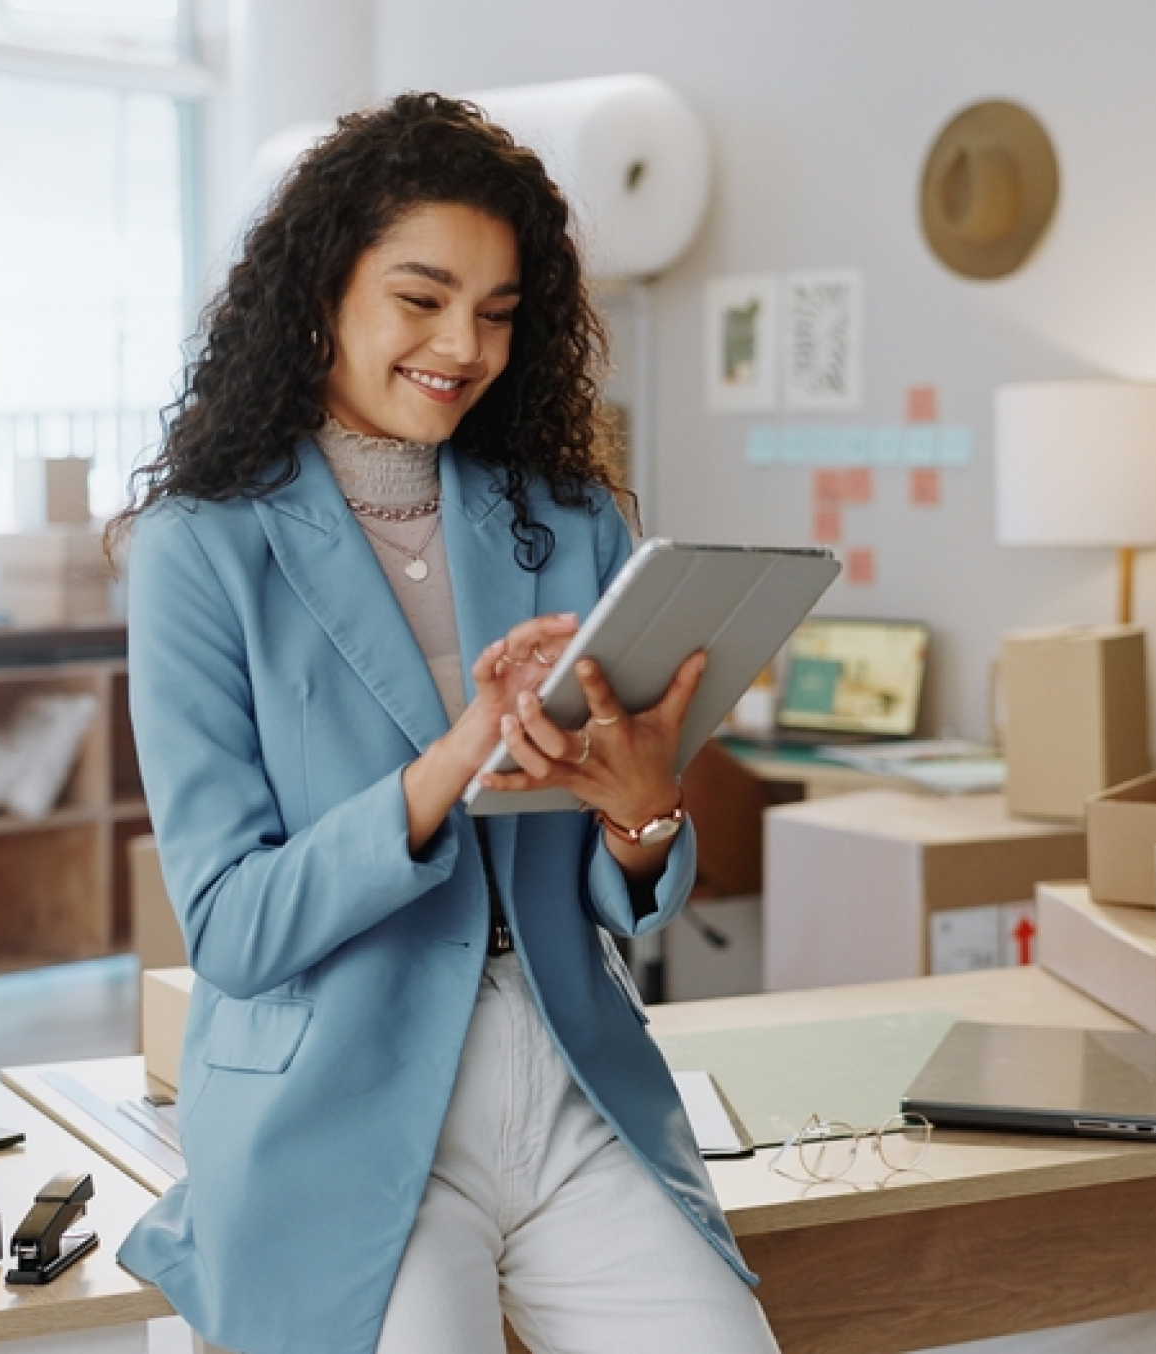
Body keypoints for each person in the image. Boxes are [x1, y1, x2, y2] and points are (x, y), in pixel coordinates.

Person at [112, 92, 778, 1354]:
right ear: (321, 292)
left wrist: (642, 811)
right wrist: (456, 755)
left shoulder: (568, 519)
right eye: (421, 298)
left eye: (498, 312)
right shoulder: (198, 548)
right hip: (340, 1108)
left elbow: (624, 886)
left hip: (569, 1077)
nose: (463, 345)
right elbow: (235, 930)